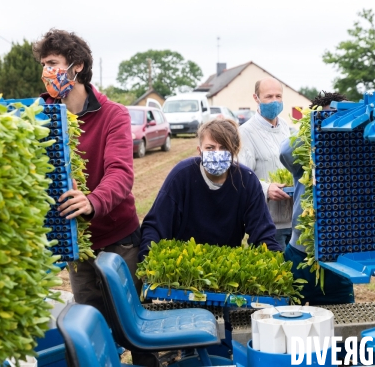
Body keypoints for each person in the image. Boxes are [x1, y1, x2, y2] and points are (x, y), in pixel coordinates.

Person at [32, 29, 142, 316]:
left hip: (118, 239)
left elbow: (120, 173)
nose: (47, 71)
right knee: (90, 322)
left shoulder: (113, 114)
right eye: (44, 64)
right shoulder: (40, 115)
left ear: (77, 66)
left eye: (53, 63)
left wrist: (92, 201)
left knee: (129, 320)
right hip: (75, 240)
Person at [138, 118, 281, 260]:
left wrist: (273, 262)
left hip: (226, 264)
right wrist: (148, 260)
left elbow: (263, 233)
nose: (217, 153)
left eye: (224, 148)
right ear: (199, 151)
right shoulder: (181, 175)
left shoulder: (246, 180)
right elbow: (156, 225)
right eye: (210, 148)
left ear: (234, 150)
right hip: (183, 261)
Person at [280, 91, 354, 304]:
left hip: (340, 262)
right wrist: (317, 125)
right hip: (300, 256)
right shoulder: (306, 160)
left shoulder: (353, 159)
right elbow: (285, 151)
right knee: (295, 325)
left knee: (343, 325)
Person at [238, 77, 294, 250]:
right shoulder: (245, 133)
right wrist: (266, 189)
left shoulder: (287, 128)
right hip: (266, 224)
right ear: (256, 98)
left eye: (278, 96)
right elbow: (241, 176)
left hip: (294, 222)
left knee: (297, 275)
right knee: (276, 274)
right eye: (269, 97)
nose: (275, 101)